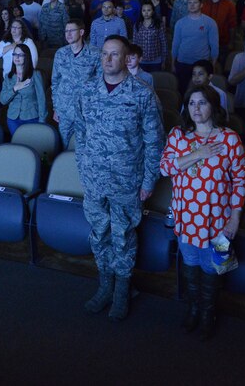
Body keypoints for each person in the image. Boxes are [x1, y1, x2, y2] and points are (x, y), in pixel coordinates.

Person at [74, 35, 164, 321]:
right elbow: (81, 134)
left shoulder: (142, 94)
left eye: (114, 55)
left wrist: (149, 181)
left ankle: (122, 291)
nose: (108, 59)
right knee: (99, 234)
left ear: (127, 58)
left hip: (127, 181)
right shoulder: (88, 90)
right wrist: (84, 169)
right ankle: (105, 286)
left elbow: (154, 142)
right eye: (104, 54)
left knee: (123, 236)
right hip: (95, 180)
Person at [160, 85, 245, 340]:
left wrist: (235, 217)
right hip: (186, 218)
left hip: (220, 222)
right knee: (190, 264)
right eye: (191, 103)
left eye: (202, 103)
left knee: (213, 269)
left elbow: (241, 180)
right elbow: (165, 168)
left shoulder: (230, 138)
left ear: (213, 106)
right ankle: (194, 308)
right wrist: (198, 153)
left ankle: (209, 312)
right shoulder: (178, 135)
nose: (196, 108)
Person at [51, 19, 101, 147]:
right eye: (66, 31)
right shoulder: (60, 53)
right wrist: (56, 108)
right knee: (64, 145)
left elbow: (100, 84)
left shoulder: (94, 53)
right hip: (64, 110)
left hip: (86, 111)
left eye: (72, 30)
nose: (68, 34)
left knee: (85, 146)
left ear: (82, 32)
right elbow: (55, 82)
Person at [172, 0, 219, 93]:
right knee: (184, 91)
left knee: (202, 92)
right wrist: (173, 63)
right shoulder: (180, 23)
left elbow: (214, 45)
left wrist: (213, 64)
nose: (192, 5)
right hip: (183, 63)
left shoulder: (210, 22)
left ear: (201, 5)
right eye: (189, 3)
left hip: (201, 64)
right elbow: (175, 44)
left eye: (195, 2)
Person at [0, 43, 46, 135]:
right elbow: (2, 100)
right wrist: (15, 88)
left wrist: (42, 121)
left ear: (26, 57)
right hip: (13, 119)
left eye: (20, 55)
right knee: (17, 145)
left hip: (31, 118)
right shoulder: (8, 77)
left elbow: (41, 99)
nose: (17, 57)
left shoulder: (35, 75)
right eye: (15, 54)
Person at [202, 0, 237, 64]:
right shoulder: (203, 4)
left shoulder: (229, 5)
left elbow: (232, 25)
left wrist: (231, 42)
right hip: (206, 43)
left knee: (221, 67)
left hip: (223, 43)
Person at [132, 2, 167, 73]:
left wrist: (164, 60)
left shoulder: (159, 25)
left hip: (156, 60)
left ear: (153, 11)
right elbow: (135, 42)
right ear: (141, 12)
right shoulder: (137, 25)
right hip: (141, 60)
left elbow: (164, 43)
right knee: (142, 81)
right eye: (144, 10)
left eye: (149, 10)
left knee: (155, 81)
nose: (146, 13)